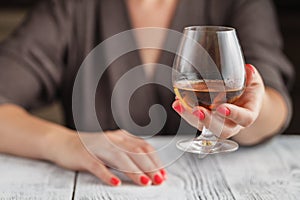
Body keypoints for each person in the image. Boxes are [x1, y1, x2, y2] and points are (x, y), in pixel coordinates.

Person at [0, 0, 294, 187]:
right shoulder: (71, 8)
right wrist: (65, 144)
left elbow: (274, 103)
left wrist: (250, 114)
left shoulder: (241, 4)